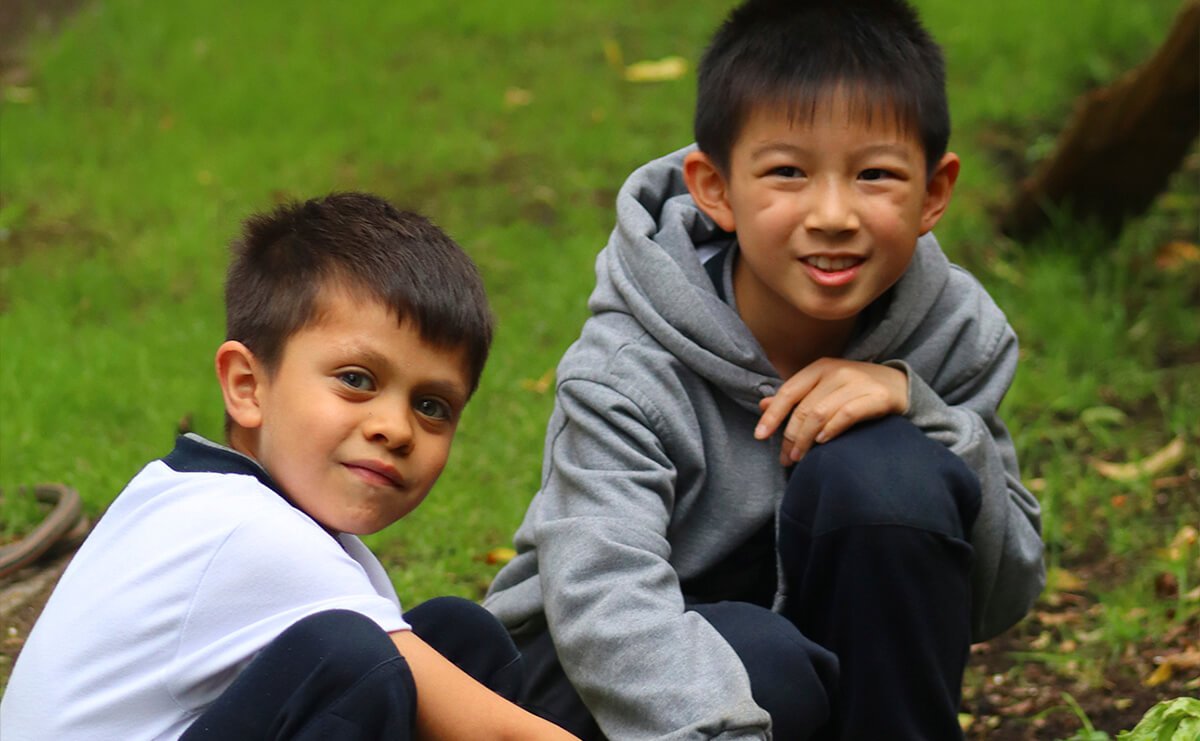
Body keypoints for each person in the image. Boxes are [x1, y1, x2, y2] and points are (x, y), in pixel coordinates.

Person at [483, 1, 1045, 738]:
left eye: (875, 174)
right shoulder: (628, 366)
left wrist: (922, 409)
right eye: (788, 172)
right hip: (597, 693)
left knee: (887, 476)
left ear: (933, 193)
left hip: (806, 687)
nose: (834, 213)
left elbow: (1000, 591)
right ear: (714, 188)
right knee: (764, 663)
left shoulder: (955, 330)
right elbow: (600, 598)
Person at [0, 193, 576, 740]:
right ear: (248, 386)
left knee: (457, 639)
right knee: (352, 659)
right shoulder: (250, 537)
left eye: (431, 406)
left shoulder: (205, 495)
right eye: (356, 380)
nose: (395, 429)